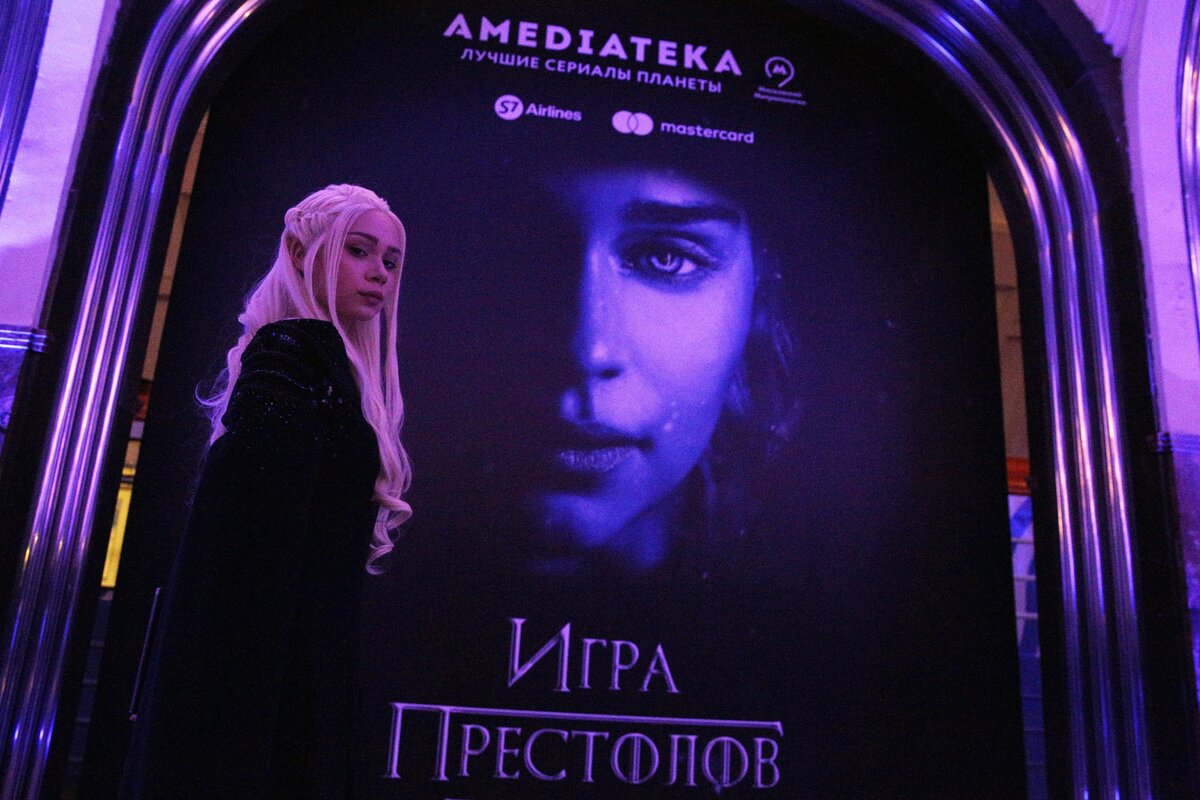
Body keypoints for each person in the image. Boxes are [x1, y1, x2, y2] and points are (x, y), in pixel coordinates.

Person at [121, 184, 411, 799]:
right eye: (359, 250)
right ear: (303, 253)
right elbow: (247, 544)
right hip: (269, 659)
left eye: (390, 260)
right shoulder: (292, 353)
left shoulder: (323, 364)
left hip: (290, 651)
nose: (380, 273)